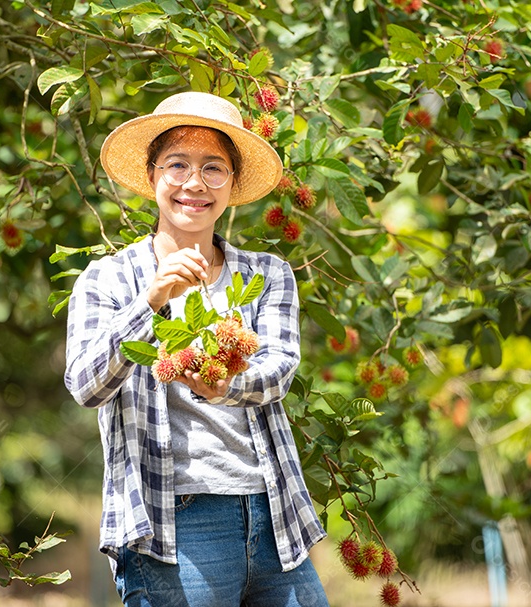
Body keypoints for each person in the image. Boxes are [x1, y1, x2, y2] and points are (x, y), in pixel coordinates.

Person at [64, 91, 329, 606]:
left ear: (231, 183)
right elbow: (85, 384)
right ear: (151, 175)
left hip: (273, 513)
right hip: (175, 522)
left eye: (213, 168)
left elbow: (279, 370)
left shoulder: (267, 274)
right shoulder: (108, 280)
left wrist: (225, 385)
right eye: (177, 164)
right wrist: (152, 301)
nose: (194, 183)